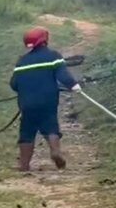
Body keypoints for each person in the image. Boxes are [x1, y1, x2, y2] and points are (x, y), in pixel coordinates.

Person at [9, 26, 80, 172]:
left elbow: (14, 84)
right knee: (50, 126)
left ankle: (24, 165)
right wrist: (73, 85)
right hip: (47, 101)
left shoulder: (22, 61)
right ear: (45, 40)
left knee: (27, 132)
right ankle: (55, 152)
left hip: (27, 104)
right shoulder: (53, 56)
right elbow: (63, 75)